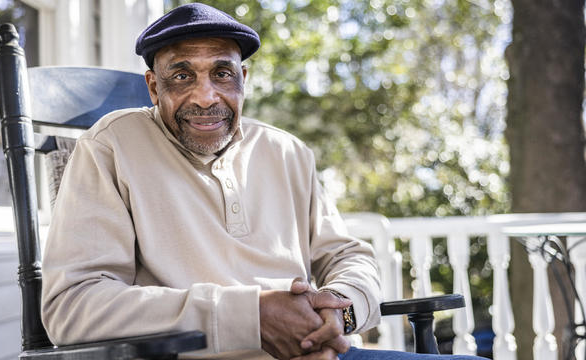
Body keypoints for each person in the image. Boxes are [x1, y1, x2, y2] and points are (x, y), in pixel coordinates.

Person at [41, 3, 487, 360]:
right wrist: (251, 317)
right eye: (181, 76)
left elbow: (347, 255)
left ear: (243, 80)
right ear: (154, 88)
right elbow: (74, 307)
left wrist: (338, 311)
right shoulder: (112, 145)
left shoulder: (286, 151)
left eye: (222, 73)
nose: (205, 96)